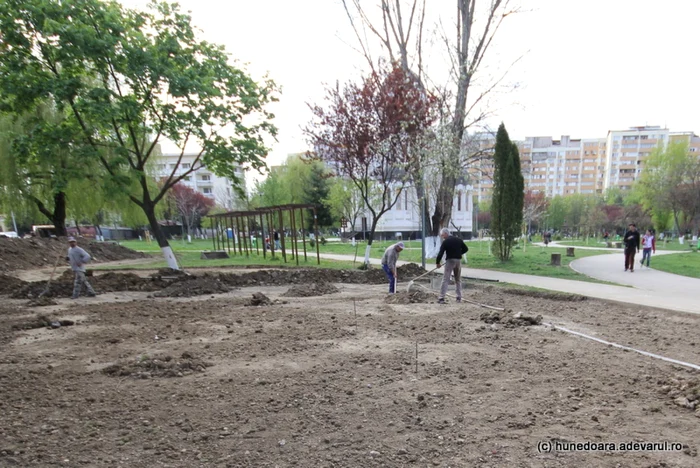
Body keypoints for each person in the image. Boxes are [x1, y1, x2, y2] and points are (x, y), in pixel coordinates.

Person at [436, 228, 468, 304]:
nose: (442, 237)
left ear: (446, 234)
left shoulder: (445, 242)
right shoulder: (458, 240)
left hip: (450, 261)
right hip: (458, 261)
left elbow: (440, 253)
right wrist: (459, 254)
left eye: (442, 235)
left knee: (446, 279)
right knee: (458, 279)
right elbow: (466, 249)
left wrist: (438, 263)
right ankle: (458, 298)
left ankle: (441, 298)